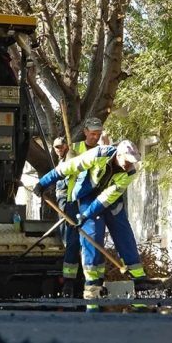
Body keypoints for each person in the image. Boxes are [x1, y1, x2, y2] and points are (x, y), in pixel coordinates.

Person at [33, 140, 145, 299]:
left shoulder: (130, 173)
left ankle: (140, 279)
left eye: (132, 163)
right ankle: (92, 284)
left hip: (110, 199)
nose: (129, 165)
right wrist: (43, 183)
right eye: (127, 162)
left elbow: (106, 198)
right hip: (87, 195)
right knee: (92, 235)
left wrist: (86, 215)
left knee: (124, 234)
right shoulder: (98, 154)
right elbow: (68, 167)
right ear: (118, 155)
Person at [59, 117, 104, 297]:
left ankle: (97, 281)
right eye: (92, 133)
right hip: (74, 202)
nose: (95, 137)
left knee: (95, 241)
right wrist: (67, 160)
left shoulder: (104, 151)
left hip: (95, 202)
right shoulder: (74, 148)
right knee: (73, 242)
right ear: (85, 132)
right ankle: (68, 282)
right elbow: (61, 172)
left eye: (98, 134)